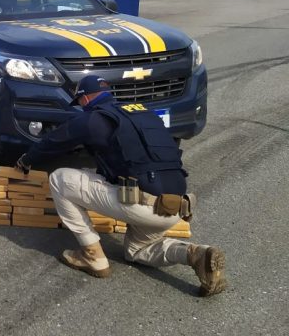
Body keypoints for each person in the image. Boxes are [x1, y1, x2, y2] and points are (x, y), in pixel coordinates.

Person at [16, 75, 226, 297]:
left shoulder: (93, 119)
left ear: (85, 99)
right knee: (137, 251)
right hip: (176, 207)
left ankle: (92, 256)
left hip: (141, 205)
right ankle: (195, 255)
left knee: (59, 179)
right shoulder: (143, 113)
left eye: (80, 104)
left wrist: (25, 161)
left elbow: (52, 143)